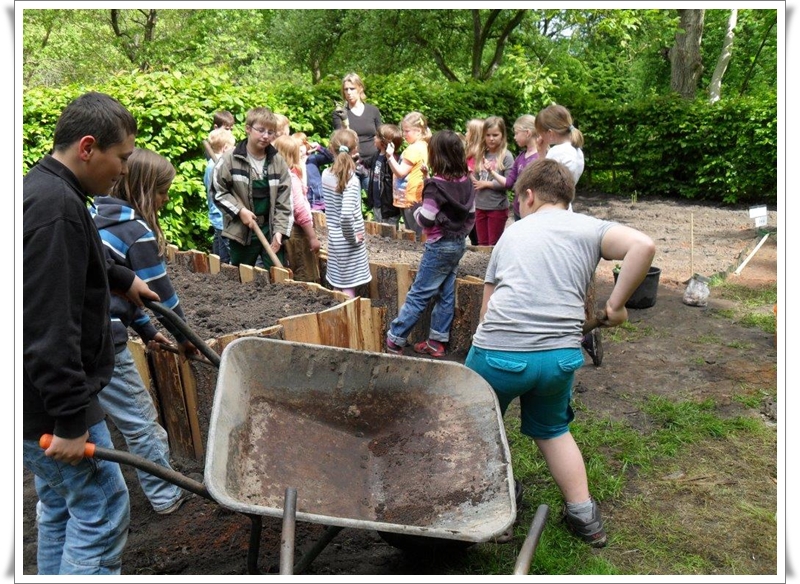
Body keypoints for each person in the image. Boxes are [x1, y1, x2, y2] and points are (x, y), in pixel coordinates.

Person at [465, 158, 655, 548]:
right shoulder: (590, 228)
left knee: (476, 431)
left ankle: (495, 513)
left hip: (499, 354)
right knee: (553, 430)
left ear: (528, 196)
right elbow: (643, 245)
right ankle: (585, 517)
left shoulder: (513, 234)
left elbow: (487, 311)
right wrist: (616, 306)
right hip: (560, 357)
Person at [23, 91, 159, 575]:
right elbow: (47, 328)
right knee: (102, 507)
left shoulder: (46, 189)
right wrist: (69, 421)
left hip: (34, 401)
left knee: (62, 506)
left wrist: (124, 278)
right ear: (87, 147)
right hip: (49, 405)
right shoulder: (55, 209)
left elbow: (80, 256)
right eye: (121, 157)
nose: (124, 170)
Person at [91, 147, 199, 515]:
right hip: (104, 341)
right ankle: (167, 496)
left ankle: (90, 496)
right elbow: (159, 295)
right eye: (162, 191)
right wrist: (186, 338)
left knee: (94, 424)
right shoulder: (134, 231)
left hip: (77, 334)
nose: (166, 199)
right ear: (142, 189)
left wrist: (146, 330)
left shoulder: (94, 219)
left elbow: (118, 289)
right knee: (141, 421)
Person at [385, 130, 476, 358]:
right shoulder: (466, 181)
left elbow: (427, 218)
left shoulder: (435, 187)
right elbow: (471, 215)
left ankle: (395, 338)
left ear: (436, 156)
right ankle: (437, 341)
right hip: (457, 244)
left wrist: (416, 211)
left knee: (419, 294)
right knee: (445, 294)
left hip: (439, 246)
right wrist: (460, 232)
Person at [534, 104, 601, 366]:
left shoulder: (562, 154)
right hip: (559, 214)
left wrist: (541, 154)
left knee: (553, 277)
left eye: (541, 133)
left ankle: (574, 335)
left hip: (554, 218)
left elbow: (539, 183)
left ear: (549, 132)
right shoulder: (569, 150)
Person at [213, 107, 293, 268]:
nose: (266, 136)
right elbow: (217, 192)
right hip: (242, 231)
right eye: (261, 130)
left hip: (270, 229)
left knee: (277, 276)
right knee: (242, 277)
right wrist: (239, 211)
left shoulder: (278, 162)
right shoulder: (230, 159)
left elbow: (285, 202)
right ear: (248, 129)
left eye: (271, 132)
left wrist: (279, 231)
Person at [321, 128, 372, 297]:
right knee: (349, 286)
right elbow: (346, 215)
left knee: (337, 282)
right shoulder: (351, 180)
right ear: (355, 150)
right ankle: (347, 317)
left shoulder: (325, 174)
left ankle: (337, 314)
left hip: (334, 239)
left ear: (330, 149)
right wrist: (353, 238)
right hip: (349, 241)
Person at [273, 134, 321, 282]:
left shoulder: (274, 175)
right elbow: (299, 210)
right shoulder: (290, 179)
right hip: (297, 231)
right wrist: (312, 237)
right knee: (305, 273)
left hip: (282, 229)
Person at [332, 72, 382, 195]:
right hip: (350, 165)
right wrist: (344, 121)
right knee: (351, 202)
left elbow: (380, 135)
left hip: (372, 164)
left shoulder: (373, 111)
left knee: (376, 200)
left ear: (360, 88)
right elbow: (341, 138)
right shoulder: (339, 113)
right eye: (346, 89)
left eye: (352, 88)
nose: (349, 92)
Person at [470, 115, 514, 246]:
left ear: (502, 135)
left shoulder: (506, 156)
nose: (491, 138)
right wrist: (469, 175)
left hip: (497, 207)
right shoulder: (481, 154)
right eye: (488, 135)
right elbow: (477, 182)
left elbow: (509, 182)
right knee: (481, 243)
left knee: (493, 244)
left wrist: (487, 184)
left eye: (495, 135)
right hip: (480, 205)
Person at [387, 111, 431, 239]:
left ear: (418, 131)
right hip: (415, 198)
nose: (403, 134)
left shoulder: (413, 149)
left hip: (410, 198)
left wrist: (390, 157)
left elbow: (400, 173)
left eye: (407, 131)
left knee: (414, 237)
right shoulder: (424, 146)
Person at [491, 114, 539, 222]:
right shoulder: (520, 157)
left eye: (516, 133)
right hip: (519, 211)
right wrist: (491, 171)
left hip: (533, 213)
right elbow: (509, 183)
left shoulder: (540, 158)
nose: (514, 137)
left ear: (527, 133)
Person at [204, 127, 236, 264]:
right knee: (233, 257)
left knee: (221, 257)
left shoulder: (211, 165)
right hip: (223, 218)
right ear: (225, 148)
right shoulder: (217, 167)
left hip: (217, 218)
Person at [366, 123, 402, 224]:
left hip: (389, 207)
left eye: (377, 136)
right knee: (379, 232)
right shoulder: (376, 156)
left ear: (384, 142)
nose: (374, 137)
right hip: (377, 204)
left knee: (390, 234)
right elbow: (365, 166)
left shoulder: (393, 160)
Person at [464, 118, 485, 245]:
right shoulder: (468, 153)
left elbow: (479, 179)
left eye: (468, 131)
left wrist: (468, 174)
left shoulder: (480, 155)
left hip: (477, 200)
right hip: (468, 198)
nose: (466, 133)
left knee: (476, 233)